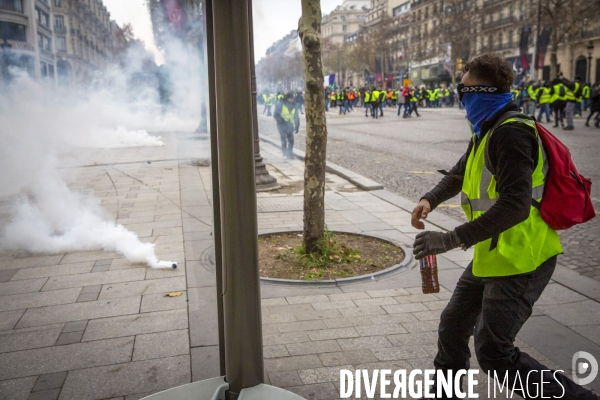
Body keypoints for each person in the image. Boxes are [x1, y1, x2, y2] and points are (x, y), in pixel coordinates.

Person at [411, 53, 600, 400]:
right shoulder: (488, 128)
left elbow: (514, 206)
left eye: (464, 89)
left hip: (523, 258)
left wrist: (448, 239)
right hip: (493, 252)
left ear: (484, 90)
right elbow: (459, 172)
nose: (461, 97)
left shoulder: (511, 134)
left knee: (495, 353)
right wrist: (430, 199)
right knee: (453, 326)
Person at [273, 92, 300, 160]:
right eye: (290, 99)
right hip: (281, 124)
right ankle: (284, 151)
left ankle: (289, 154)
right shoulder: (281, 104)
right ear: (287, 98)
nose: (292, 100)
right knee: (283, 138)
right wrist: (281, 121)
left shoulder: (294, 105)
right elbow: (275, 115)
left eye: (292, 99)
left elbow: (296, 116)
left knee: (291, 140)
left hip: (289, 124)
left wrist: (297, 125)